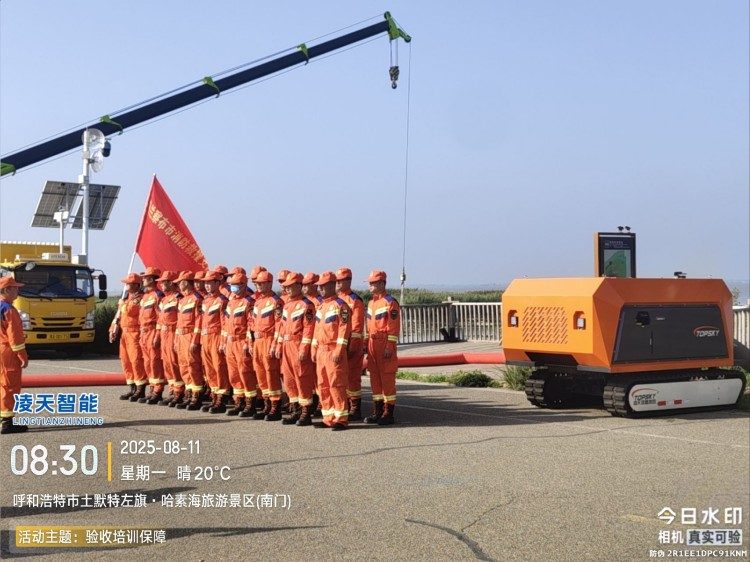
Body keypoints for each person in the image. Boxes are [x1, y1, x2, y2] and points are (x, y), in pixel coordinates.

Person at [311, 271, 352, 430]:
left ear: (331, 285)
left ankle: (341, 419)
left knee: (337, 384)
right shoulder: (321, 307)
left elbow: (344, 330)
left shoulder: (341, 306)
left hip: (333, 351)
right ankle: (328, 417)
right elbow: (316, 330)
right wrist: (314, 347)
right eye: (319, 286)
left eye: (323, 286)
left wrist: (339, 350)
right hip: (321, 351)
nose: (320, 289)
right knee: (323, 385)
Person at [275, 272, 316, 426]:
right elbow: (282, 327)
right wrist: (279, 345)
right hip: (287, 345)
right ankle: (295, 411)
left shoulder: (307, 305)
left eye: (290, 286)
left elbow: (308, 329)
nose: (287, 289)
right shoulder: (287, 305)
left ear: (299, 286)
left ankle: (306, 413)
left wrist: (304, 348)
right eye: (286, 286)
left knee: (302, 378)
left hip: (298, 345)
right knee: (289, 379)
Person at [364, 270, 401, 425]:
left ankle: (388, 413)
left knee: (387, 379)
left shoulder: (390, 302)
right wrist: (365, 344)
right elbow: (368, 327)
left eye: (372, 283)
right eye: (370, 283)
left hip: (384, 343)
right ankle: (377, 411)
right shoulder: (371, 303)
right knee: (375, 379)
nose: (370, 286)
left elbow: (393, 327)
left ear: (381, 283)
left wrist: (389, 346)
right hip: (372, 345)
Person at [222, 272, 258, 417]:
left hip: (241, 341)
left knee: (245, 373)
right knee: (234, 374)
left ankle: (250, 403)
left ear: (243, 285)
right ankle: (239, 401)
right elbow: (225, 324)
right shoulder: (231, 302)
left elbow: (251, 325)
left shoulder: (249, 302)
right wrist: (224, 342)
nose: (233, 288)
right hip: (230, 342)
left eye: (236, 285)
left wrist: (248, 343)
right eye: (232, 285)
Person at [251, 270, 284, 421]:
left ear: (269, 283)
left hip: (269, 340)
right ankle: (266, 404)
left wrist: (275, 344)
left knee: (271, 373)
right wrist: (251, 342)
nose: (258, 285)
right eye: (257, 283)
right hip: (258, 342)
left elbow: (279, 326)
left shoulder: (276, 302)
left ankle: (275, 406)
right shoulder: (258, 302)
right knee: (260, 373)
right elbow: (252, 324)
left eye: (261, 283)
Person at [109, 273, 148, 401]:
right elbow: (118, 316)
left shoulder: (139, 298)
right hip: (124, 333)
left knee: (136, 360)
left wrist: (122, 305)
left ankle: (140, 388)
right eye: (126, 283)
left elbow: (130, 311)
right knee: (125, 361)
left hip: (134, 333)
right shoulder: (126, 298)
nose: (126, 285)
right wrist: (113, 328)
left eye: (129, 284)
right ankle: (132, 387)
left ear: (136, 285)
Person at [335, 267, 366, 420]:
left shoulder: (355, 300)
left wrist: (352, 345)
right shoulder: (336, 299)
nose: (338, 284)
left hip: (352, 345)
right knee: (341, 376)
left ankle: (355, 408)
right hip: (340, 345)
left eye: (341, 281)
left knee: (353, 377)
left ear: (348, 281)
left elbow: (356, 326)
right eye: (337, 281)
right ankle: (345, 405)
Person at [0, 277, 29, 434]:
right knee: (10, 386)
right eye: (15, 287)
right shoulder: (10, 310)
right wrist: (22, 356)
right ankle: (7, 423)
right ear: (6, 290)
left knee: (2, 385)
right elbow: (15, 338)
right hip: (8, 352)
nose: (18, 290)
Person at [173, 271, 205, 410]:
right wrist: (176, 340)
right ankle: (189, 392)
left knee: (193, 366)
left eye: (180, 282)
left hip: (190, 336)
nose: (178, 285)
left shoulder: (197, 299)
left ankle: (196, 396)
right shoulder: (182, 300)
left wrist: (195, 340)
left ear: (186, 282)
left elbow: (199, 322)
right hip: (181, 337)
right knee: (183, 366)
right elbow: (179, 322)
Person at [200, 271, 230, 413]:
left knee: (219, 367)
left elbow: (225, 324)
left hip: (216, 337)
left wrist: (223, 341)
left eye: (210, 282)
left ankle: (221, 398)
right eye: (205, 283)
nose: (207, 285)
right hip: (205, 338)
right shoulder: (205, 301)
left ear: (218, 283)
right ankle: (214, 395)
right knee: (209, 368)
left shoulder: (223, 301)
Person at [155, 271, 183, 406]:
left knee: (174, 362)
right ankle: (172, 390)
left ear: (171, 283)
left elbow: (181, 320)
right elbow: (160, 320)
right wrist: (157, 335)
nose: (161, 284)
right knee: (167, 363)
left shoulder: (178, 298)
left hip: (173, 333)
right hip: (164, 334)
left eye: (164, 282)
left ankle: (179, 391)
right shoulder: (164, 300)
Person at [139, 267, 166, 404]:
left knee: (155, 362)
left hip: (152, 331)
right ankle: (151, 388)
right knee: (148, 362)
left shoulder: (158, 296)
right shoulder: (145, 296)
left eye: (145, 278)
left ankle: (157, 390)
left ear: (151, 279)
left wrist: (157, 335)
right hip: (144, 333)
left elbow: (160, 318)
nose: (143, 280)